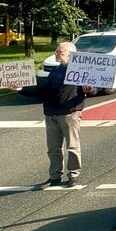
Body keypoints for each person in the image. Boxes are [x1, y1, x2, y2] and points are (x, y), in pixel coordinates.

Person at [31, 42, 94, 188]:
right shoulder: (56, 70)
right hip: (51, 114)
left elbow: (92, 88)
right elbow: (43, 90)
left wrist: (89, 88)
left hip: (69, 113)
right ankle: (54, 176)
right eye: (56, 51)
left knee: (72, 146)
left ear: (71, 54)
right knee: (53, 148)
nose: (56, 54)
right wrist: (20, 89)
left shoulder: (81, 70)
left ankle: (73, 175)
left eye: (60, 52)